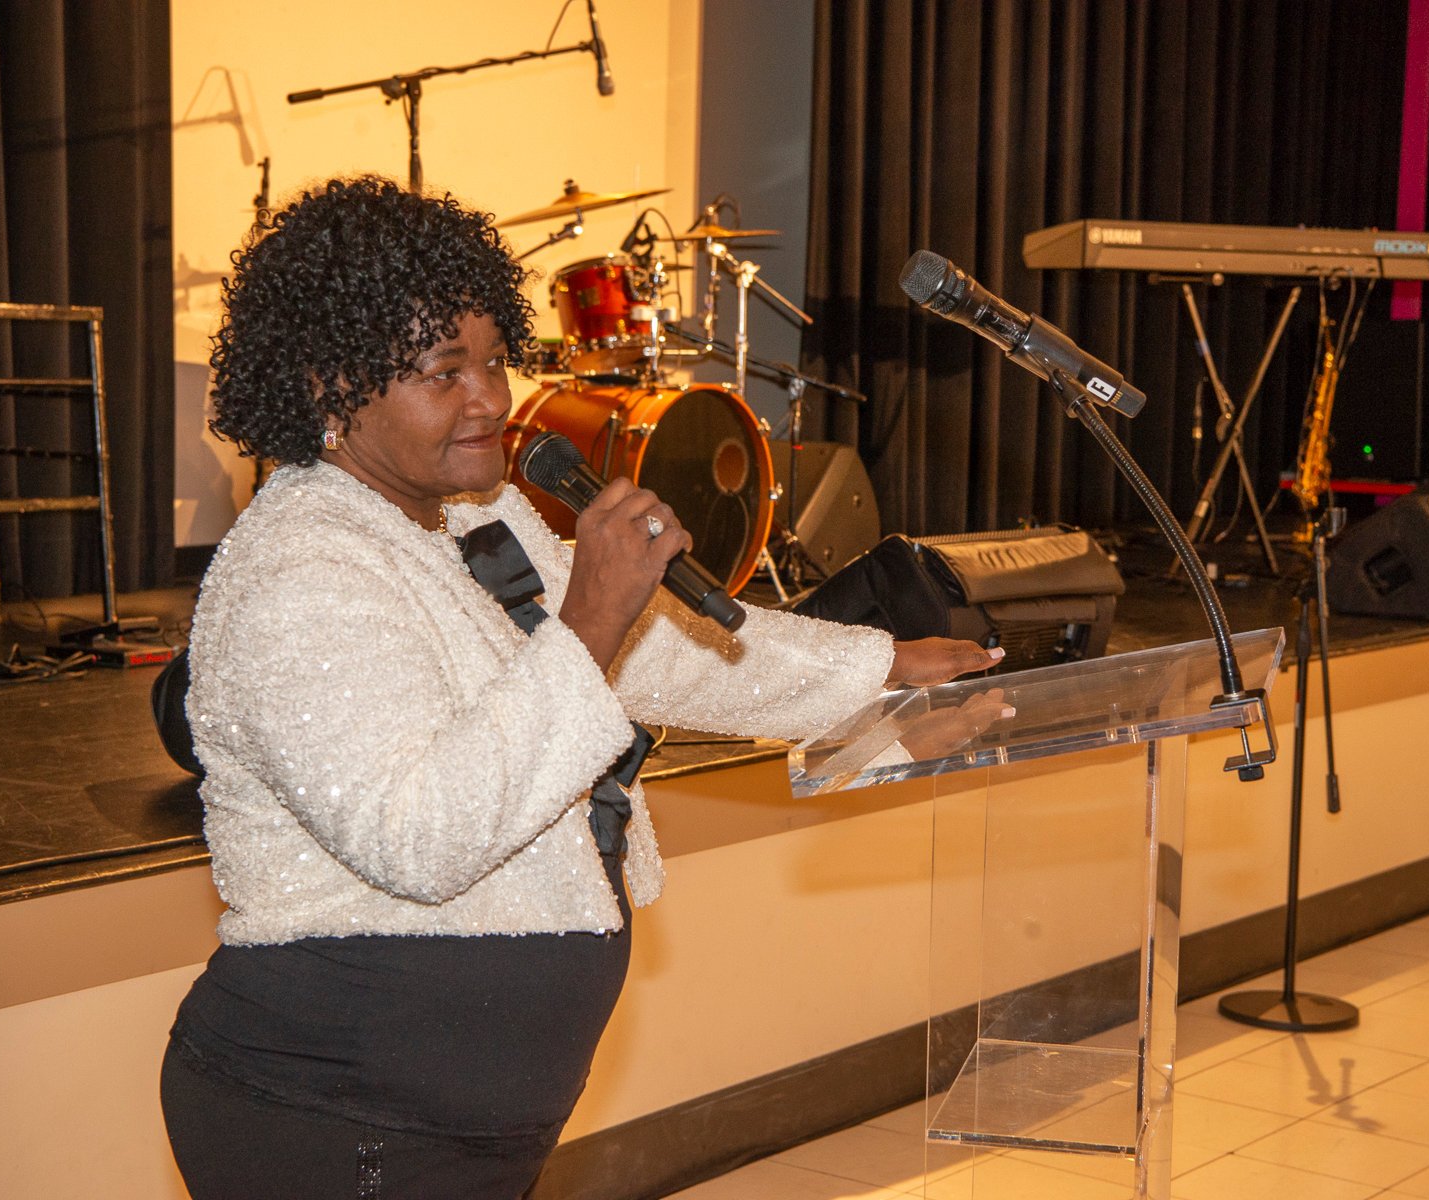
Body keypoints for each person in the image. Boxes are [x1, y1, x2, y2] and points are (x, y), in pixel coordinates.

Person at [159, 176, 999, 1200]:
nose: (490, 399)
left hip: (457, 1118)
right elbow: (420, 839)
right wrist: (592, 617)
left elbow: (655, 654)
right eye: (444, 372)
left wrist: (875, 670)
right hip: (338, 1115)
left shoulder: (473, 517)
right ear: (333, 388)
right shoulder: (299, 569)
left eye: (494, 360)